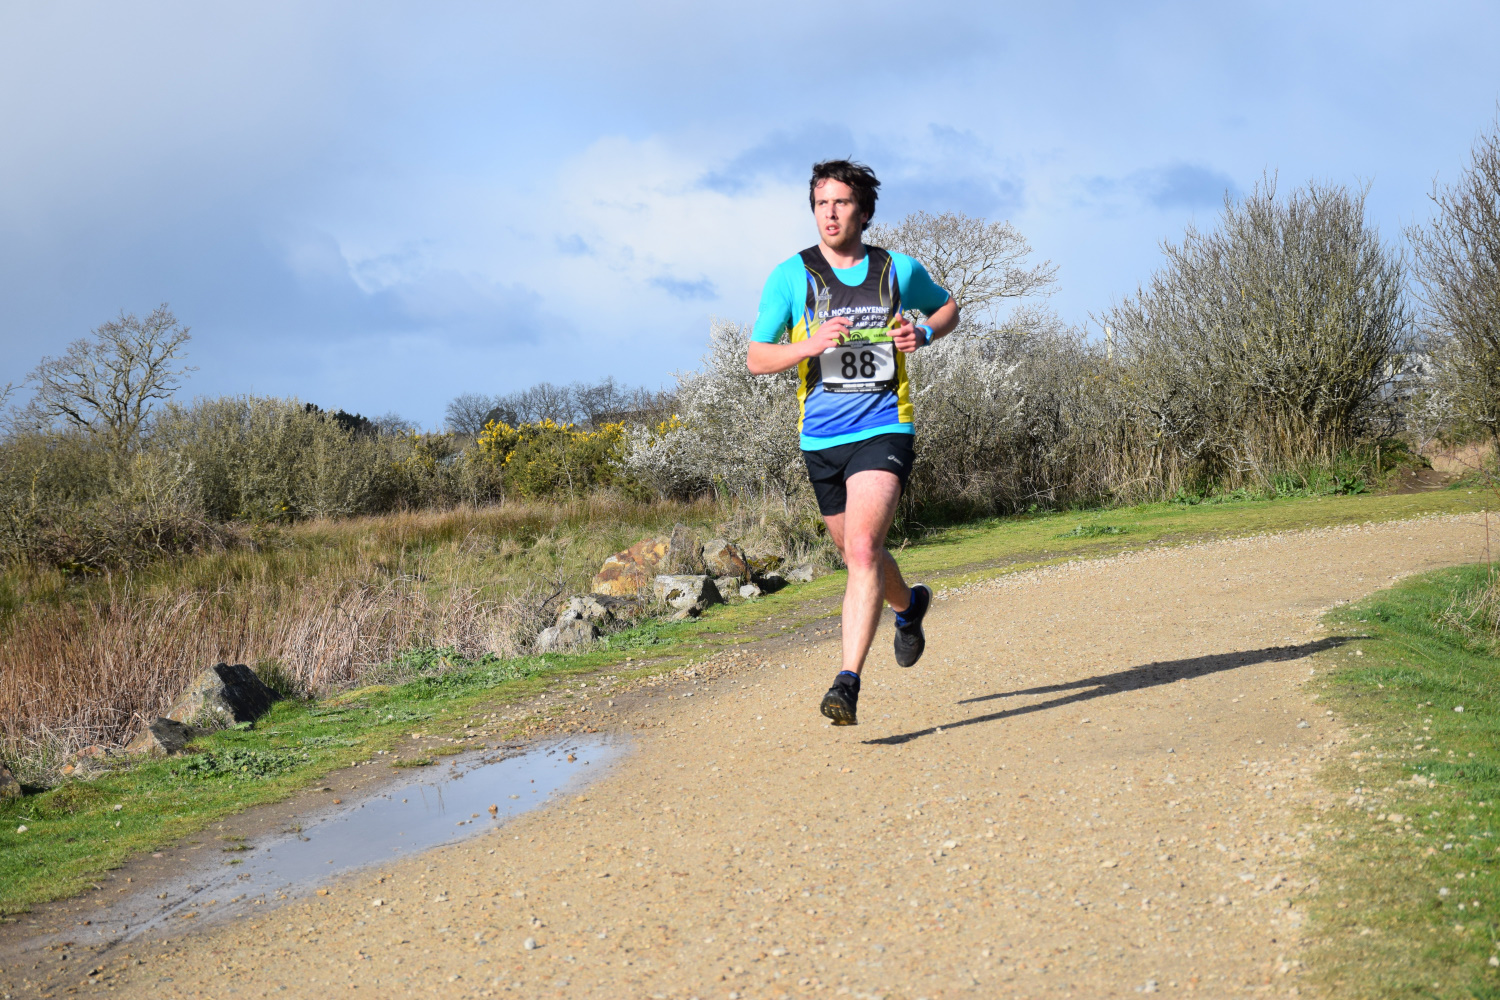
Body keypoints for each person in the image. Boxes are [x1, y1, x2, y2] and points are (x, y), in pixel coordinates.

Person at [746, 159, 959, 726]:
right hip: (821, 439)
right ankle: (908, 606)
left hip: (884, 426)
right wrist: (809, 345)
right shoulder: (791, 276)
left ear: (863, 211)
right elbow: (757, 357)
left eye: (841, 202)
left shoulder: (896, 270)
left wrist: (925, 331)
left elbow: (948, 307)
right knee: (859, 553)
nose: (830, 213)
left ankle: (847, 683)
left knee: (863, 550)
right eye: (821, 204)